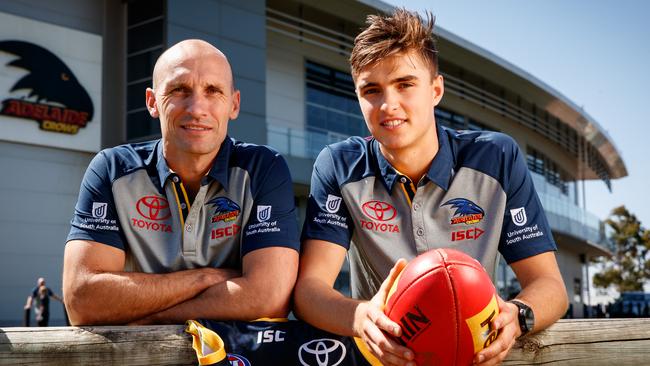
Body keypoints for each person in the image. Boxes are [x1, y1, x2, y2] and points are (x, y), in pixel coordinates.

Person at [295, 9, 568, 366]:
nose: (388, 104)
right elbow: (309, 291)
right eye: (371, 90)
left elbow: (551, 286)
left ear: (436, 90)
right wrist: (361, 318)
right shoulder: (339, 165)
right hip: (386, 358)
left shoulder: (496, 157)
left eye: (404, 84)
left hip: (472, 354)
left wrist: (518, 315)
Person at [63, 39, 299, 326]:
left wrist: (149, 316)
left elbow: (269, 298)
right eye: (179, 90)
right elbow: (82, 301)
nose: (197, 108)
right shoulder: (112, 169)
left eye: (213, 91)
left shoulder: (263, 168)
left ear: (234, 104)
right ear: (152, 102)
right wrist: (206, 278)